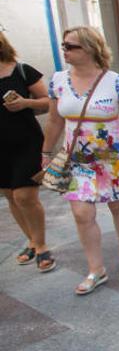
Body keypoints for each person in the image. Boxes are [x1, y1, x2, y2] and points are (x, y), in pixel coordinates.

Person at [41, 27, 119, 295]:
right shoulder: (57, 81)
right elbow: (55, 121)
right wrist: (45, 153)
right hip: (78, 160)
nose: (64, 49)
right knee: (81, 213)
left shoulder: (115, 81)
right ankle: (95, 269)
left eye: (70, 46)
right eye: (64, 45)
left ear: (90, 48)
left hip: (112, 158)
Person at [0, 32, 55, 272]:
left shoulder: (21, 70)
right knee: (11, 195)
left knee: (25, 196)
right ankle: (31, 241)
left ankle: (41, 245)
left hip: (27, 142)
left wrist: (25, 103)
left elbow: (48, 101)